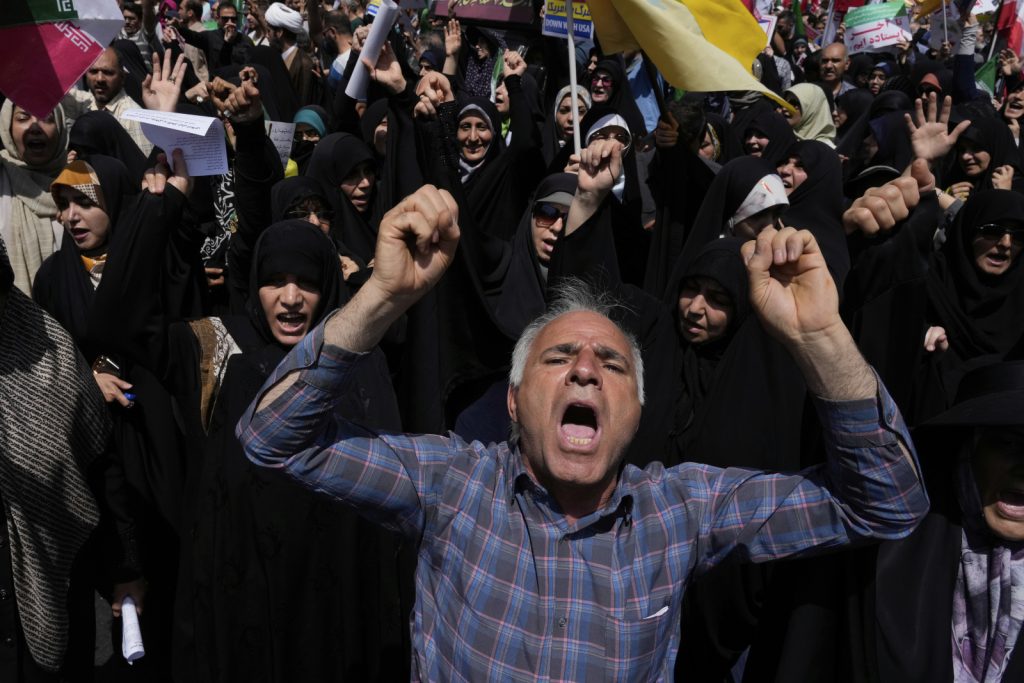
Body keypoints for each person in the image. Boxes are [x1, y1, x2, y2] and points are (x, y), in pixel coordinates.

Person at [237, 183, 928, 679]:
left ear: (636, 413)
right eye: (560, 356)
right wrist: (382, 297)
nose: (587, 371)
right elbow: (272, 437)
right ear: (514, 403)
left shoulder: (680, 510)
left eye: (613, 364)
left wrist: (820, 337)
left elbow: (888, 503)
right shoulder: (452, 482)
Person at [0, 101, 69, 296]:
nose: (35, 127)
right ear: (7, 127)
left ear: (60, 126)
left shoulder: (81, 180)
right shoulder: (2, 179)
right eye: (23, 118)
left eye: (46, 118)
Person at [61, 47, 154, 155]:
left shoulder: (133, 118)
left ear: (122, 77)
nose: (100, 79)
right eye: (94, 71)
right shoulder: (88, 102)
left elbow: (143, 163)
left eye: (108, 73)